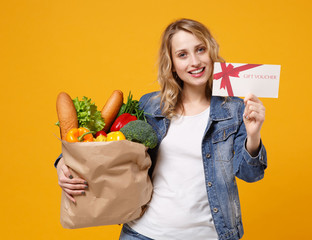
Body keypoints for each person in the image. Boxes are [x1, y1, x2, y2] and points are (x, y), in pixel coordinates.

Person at [56, 18, 267, 240]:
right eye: (182, 54)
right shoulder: (150, 106)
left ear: (211, 53)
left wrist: (253, 135)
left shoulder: (233, 110)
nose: (194, 61)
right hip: (144, 233)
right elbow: (104, 144)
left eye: (200, 49)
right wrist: (63, 162)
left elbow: (251, 174)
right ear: (172, 64)